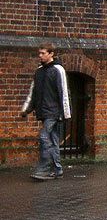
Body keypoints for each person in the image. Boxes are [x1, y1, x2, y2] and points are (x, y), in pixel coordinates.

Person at [20, 42, 72, 181]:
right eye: (39, 53)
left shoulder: (57, 70)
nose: (40, 56)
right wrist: (26, 109)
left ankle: (43, 168)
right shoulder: (39, 71)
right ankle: (57, 169)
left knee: (43, 136)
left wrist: (66, 113)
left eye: (43, 53)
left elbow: (63, 92)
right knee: (54, 141)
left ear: (51, 54)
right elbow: (33, 92)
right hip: (43, 112)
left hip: (53, 112)